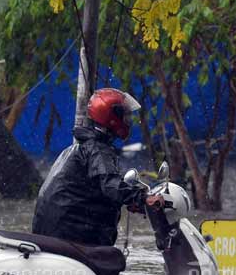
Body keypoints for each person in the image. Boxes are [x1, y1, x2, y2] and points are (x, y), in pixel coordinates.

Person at [32, 88, 149, 246]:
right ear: (112, 117)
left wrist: (128, 201)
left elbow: (96, 190)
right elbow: (110, 184)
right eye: (126, 115)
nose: (129, 120)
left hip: (54, 233)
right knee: (113, 260)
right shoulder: (97, 150)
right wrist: (143, 197)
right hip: (69, 236)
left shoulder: (83, 146)